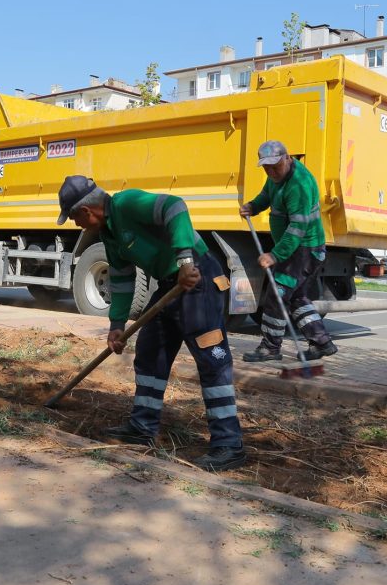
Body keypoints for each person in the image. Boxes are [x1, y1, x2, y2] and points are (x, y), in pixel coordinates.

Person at [57, 175, 246, 471]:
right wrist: (116, 325)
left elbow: (176, 208)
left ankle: (229, 444)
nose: (76, 225)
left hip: (197, 277)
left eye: (73, 219)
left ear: (86, 211)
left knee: (212, 360)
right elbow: (121, 280)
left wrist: (184, 261)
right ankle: (142, 427)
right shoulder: (109, 234)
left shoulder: (126, 203)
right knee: (149, 351)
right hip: (170, 285)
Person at [239, 140, 337, 362]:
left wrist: (274, 255)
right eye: (266, 167)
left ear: (287, 158)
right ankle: (322, 343)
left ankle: (270, 347)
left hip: (305, 248)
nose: (271, 171)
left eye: (275, 166)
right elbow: (267, 195)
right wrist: (253, 207)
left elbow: (297, 229)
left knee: (278, 292)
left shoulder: (299, 185)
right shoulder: (276, 177)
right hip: (297, 249)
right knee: (297, 297)